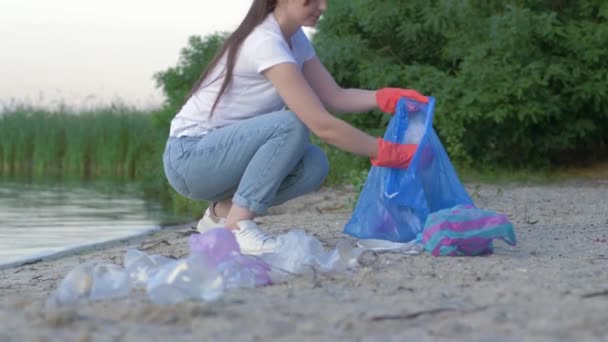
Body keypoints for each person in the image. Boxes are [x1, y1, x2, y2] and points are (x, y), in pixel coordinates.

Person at [162, 0, 429, 255]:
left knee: (314, 165)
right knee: (291, 124)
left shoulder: (296, 39)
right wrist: (387, 152)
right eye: (310, 0)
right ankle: (238, 226)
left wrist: (385, 97)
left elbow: (335, 96)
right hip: (190, 157)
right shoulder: (265, 41)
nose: (322, 6)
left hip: (221, 159)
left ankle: (221, 215)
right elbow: (322, 125)